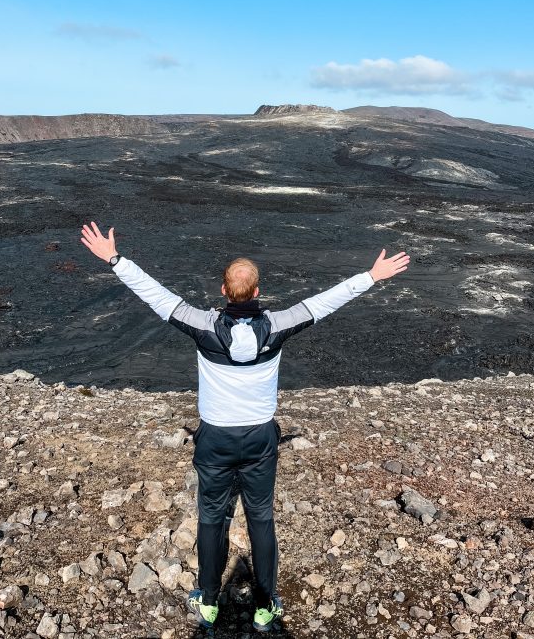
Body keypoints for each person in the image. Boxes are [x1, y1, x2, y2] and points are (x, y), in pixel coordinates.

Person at [80, 221, 410, 633]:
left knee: (211, 518)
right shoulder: (276, 326)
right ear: (257, 293)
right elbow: (324, 303)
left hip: (215, 439)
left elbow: (155, 294)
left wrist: (114, 260)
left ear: (223, 290)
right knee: (261, 518)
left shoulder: (202, 326)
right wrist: (370, 277)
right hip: (260, 438)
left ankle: (207, 599)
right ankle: (267, 603)